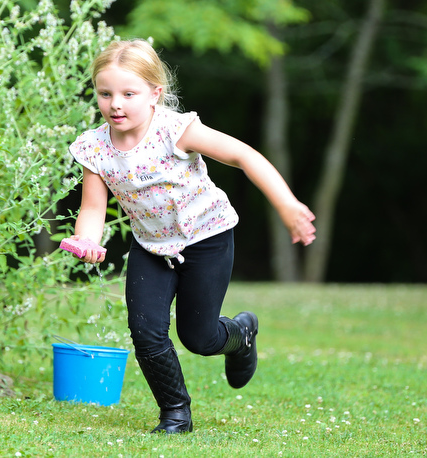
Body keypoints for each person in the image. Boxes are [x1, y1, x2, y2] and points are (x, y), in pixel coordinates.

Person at [67, 39, 316, 434]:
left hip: (207, 239)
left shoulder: (175, 130)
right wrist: (88, 241)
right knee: (145, 331)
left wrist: (286, 204)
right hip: (151, 247)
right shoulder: (94, 148)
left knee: (198, 338)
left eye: (128, 93)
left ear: (155, 94)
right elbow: (93, 208)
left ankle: (241, 334)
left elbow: (244, 155)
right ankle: (175, 414)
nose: (115, 103)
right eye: (105, 93)